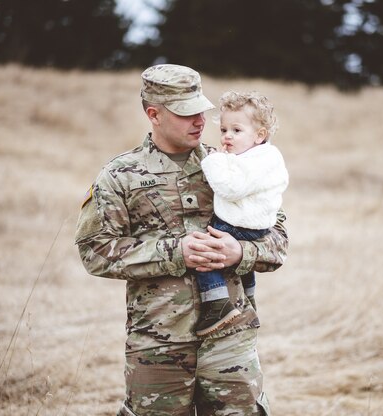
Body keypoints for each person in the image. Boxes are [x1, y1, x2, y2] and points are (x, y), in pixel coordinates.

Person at [74, 64, 288, 416]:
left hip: (229, 339)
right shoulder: (119, 176)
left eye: (202, 110)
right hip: (158, 346)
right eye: (185, 113)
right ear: (153, 114)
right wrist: (174, 252)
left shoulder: (232, 164)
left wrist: (241, 252)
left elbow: (278, 238)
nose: (200, 121)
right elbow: (94, 251)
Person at [194, 91, 289, 337]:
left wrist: (214, 160)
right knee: (241, 266)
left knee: (206, 250)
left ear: (260, 135)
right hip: (256, 224)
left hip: (243, 223)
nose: (227, 137)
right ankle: (248, 296)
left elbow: (231, 187)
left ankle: (216, 303)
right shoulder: (260, 156)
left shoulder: (256, 160)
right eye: (224, 130)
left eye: (236, 131)